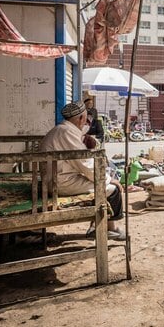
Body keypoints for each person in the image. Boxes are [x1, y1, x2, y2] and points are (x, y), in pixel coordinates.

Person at [40, 101, 126, 241]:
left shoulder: (63, 129)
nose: (87, 122)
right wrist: (110, 179)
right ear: (81, 118)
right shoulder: (66, 133)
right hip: (60, 183)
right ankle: (111, 229)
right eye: (85, 118)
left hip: (58, 179)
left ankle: (97, 226)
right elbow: (86, 166)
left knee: (101, 183)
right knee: (111, 189)